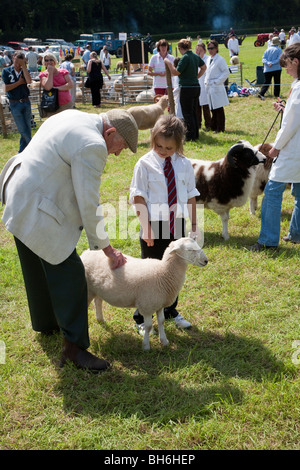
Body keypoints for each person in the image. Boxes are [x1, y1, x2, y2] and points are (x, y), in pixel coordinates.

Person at [0, 108, 139, 372]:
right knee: (73, 274)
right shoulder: (93, 144)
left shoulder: (75, 115)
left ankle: (45, 323)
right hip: (37, 205)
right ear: (109, 132)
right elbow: (88, 203)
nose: (117, 153)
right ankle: (74, 350)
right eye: (120, 146)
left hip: (18, 192)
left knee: (35, 261)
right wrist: (106, 248)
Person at [129, 114, 200, 335]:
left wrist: (195, 223)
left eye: (169, 148)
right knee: (151, 273)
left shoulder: (184, 164)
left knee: (174, 270)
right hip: (153, 224)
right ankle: (142, 316)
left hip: (176, 224)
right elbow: (138, 197)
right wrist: (146, 227)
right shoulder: (145, 164)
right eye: (159, 145)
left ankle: (170, 309)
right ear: (152, 139)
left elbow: (190, 195)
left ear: (178, 145)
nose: (163, 151)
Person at [248, 44, 300, 251]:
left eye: (286, 65)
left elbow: (290, 124)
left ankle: (268, 241)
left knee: (272, 192)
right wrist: (285, 109)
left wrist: (276, 147)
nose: (285, 69)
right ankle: (296, 233)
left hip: (293, 149)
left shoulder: (298, 89)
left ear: (295, 62)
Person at [164, 38, 206, 141]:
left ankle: (190, 136)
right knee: (193, 111)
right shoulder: (196, 56)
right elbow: (204, 67)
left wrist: (168, 62)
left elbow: (175, 72)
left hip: (187, 88)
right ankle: (195, 134)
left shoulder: (185, 57)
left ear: (180, 48)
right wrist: (196, 77)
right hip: (196, 87)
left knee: (187, 113)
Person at [1, 51, 32, 152]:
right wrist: (18, 83)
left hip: (26, 101)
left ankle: (21, 152)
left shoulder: (25, 71)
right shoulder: (6, 71)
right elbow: (4, 88)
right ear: (13, 59)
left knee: (28, 127)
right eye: (16, 61)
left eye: (21, 62)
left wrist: (24, 66)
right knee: (22, 129)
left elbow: (29, 81)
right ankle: (33, 147)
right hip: (14, 102)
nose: (18, 64)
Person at [204, 40, 229, 133]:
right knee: (212, 108)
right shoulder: (208, 59)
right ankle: (213, 126)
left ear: (216, 48)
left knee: (218, 108)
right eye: (208, 48)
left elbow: (226, 72)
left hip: (216, 86)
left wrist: (217, 81)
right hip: (209, 87)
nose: (210, 50)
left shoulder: (220, 59)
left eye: (212, 48)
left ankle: (220, 128)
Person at [258, 36, 282, 100]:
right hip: (276, 68)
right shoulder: (279, 50)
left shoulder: (267, 49)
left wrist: (268, 63)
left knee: (267, 82)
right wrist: (272, 63)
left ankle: (261, 93)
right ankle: (276, 94)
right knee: (277, 81)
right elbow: (279, 59)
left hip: (267, 69)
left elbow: (263, 59)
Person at [195, 42, 212, 131]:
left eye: (200, 50)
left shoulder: (208, 59)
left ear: (204, 51)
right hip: (197, 86)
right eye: (197, 50)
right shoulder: (194, 59)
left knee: (206, 107)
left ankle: (208, 124)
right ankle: (198, 124)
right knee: (197, 107)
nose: (198, 52)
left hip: (205, 86)